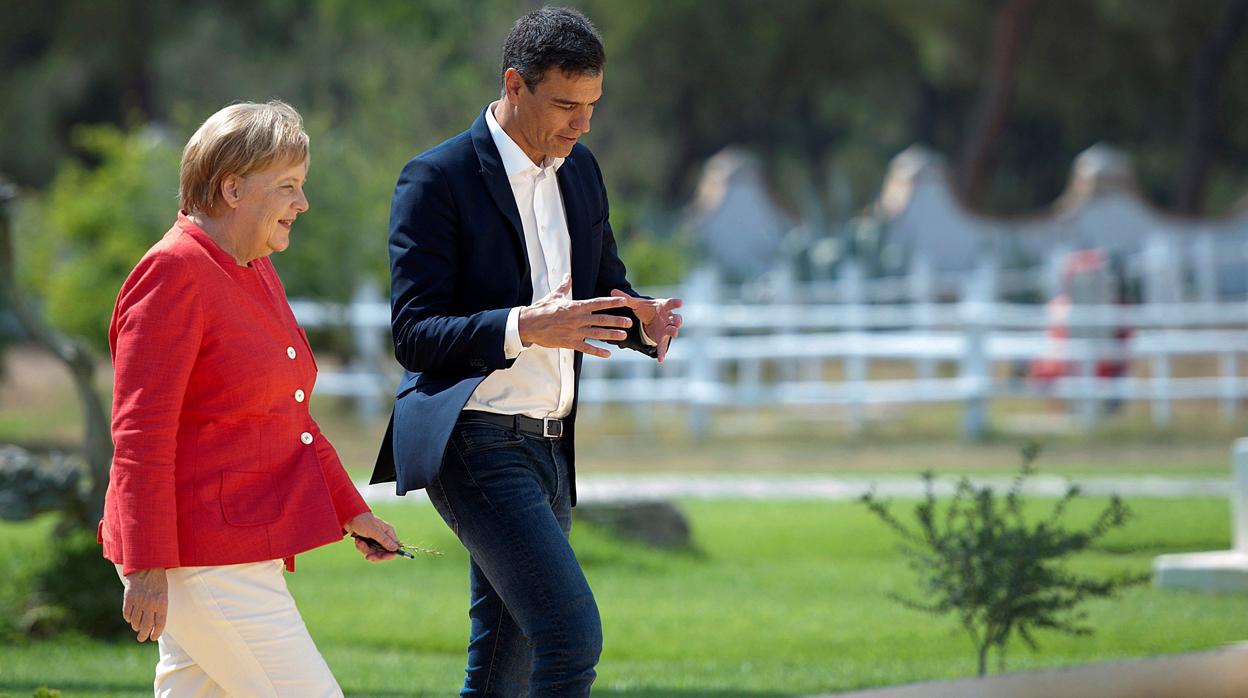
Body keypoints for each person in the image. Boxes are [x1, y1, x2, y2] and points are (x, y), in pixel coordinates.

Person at [370, 6, 683, 695]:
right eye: (567, 105)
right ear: (515, 84)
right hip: (473, 440)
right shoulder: (436, 179)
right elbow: (414, 334)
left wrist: (643, 321)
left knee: (503, 668)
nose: (583, 123)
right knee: (570, 637)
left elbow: (601, 289)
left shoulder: (581, 171)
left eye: (593, 105)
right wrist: (524, 326)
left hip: (552, 446)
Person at [99, 100, 402, 697]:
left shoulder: (253, 265)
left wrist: (351, 511)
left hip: (230, 550)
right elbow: (140, 435)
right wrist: (146, 564)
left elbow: (289, 416)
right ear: (232, 188)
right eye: (287, 186)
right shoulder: (173, 272)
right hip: (202, 557)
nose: (302, 203)